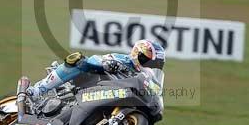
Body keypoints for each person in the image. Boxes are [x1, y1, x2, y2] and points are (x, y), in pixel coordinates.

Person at [25, 39, 166, 101]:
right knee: (79, 61)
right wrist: (108, 65)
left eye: (154, 63)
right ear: (137, 53)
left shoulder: (146, 77)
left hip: (111, 98)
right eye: (147, 60)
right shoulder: (123, 60)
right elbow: (95, 60)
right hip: (90, 85)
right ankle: (38, 90)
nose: (149, 65)